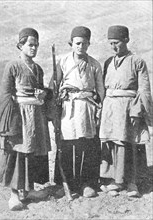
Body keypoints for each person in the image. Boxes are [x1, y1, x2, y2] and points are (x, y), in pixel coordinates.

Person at [0, 28, 52, 210]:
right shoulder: (13, 66)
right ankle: (14, 194)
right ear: (20, 45)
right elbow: (6, 94)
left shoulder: (37, 68)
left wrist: (44, 93)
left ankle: (28, 190)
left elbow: (43, 91)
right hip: (19, 115)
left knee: (33, 152)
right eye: (30, 45)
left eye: (36, 45)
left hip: (36, 114)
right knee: (19, 152)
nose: (34, 48)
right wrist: (9, 122)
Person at [99, 25, 152, 197]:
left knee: (129, 143)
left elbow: (143, 90)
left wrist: (137, 110)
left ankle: (132, 183)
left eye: (117, 43)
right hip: (110, 107)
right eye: (111, 43)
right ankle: (116, 180)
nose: (114, 47)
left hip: (129, 108)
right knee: (112, 142)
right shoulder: (108, 62)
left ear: (126, 40)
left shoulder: (137, 62)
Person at [54, 26, 105, 198]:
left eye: (84, 43)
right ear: (71, 43)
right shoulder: (62, 61)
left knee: (87, 144)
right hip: (68, 107)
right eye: (77, 43)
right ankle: (67, 182)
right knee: (67, 145)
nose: (80, 46)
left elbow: (101, 90)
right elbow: (55, 85)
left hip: (88, 107)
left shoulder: (94, 64)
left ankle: (88, 183)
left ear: (89, 44)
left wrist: (100, 109)